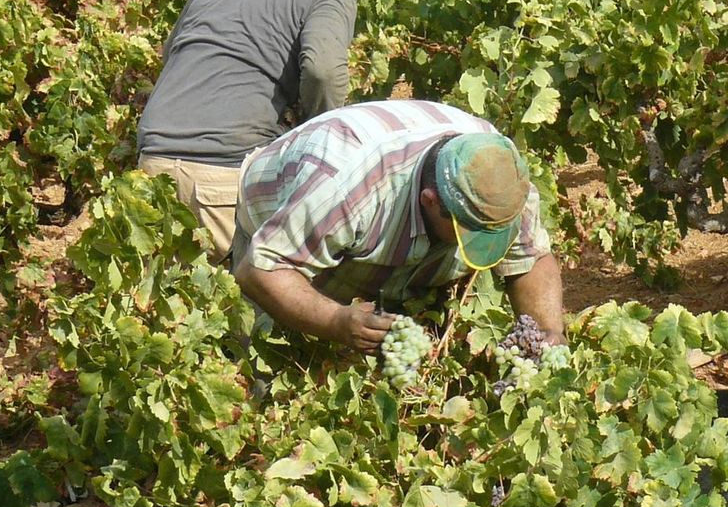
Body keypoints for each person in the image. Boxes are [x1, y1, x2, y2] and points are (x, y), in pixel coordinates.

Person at [137, 0, 367, 262]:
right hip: (220, 176)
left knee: (149, 303)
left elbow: (172, 49)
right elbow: (323, 73)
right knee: (238, 305)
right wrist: (314, 139)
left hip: (153, 159)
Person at [230, 100, 565, 352]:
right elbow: (261, 270)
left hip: (368, 232)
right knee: (276, 367)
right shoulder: (346, 187)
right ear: (430, 201)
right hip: (280, 226)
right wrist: (337, 322)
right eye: (471, 231)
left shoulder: (500, 178)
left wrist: (550, 332)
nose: (482, 241)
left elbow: (531, 258)